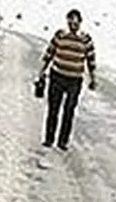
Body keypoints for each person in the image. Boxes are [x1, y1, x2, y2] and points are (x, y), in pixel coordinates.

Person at [38, 8, 97, 150]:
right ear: (67, 21)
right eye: (70, 20)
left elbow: (91, 60)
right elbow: (49, 53)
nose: (73, 23)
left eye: (76, 21)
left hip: (74, 80)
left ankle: (63, 141)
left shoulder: (86, 39)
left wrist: (93, 78)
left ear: (80, 22)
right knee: (53, 109)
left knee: (69, 110)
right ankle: (49, 139)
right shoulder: (60, 35)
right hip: (57, 76)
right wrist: (42, 71)